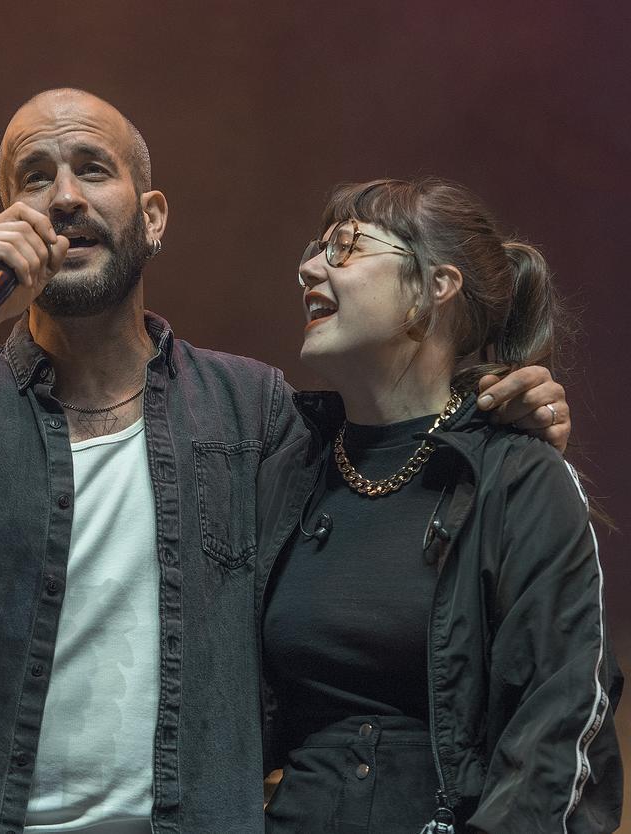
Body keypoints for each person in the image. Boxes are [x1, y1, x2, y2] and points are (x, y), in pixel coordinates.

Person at [0, 89, 569, 832]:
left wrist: (489, 402)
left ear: (152, 217)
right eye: (33, 178)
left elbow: (396, 426)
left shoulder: (253, 408)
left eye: (92, 168)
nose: (62, 199)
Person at [257, 178, 621, 832]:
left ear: (434, 287)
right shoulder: (285, 468)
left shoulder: (517, 478)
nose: (309, 268)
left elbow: (556, 732)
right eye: (315, 250)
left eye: (345, 249)